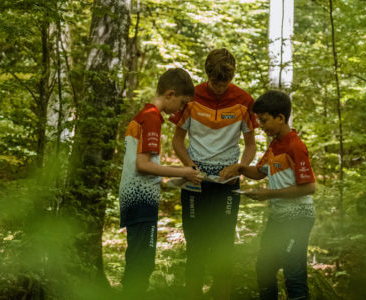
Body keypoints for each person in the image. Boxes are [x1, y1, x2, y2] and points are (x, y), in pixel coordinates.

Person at [170, 48, 258, 299]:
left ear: (232, 78)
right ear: (207, 74)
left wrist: (241, 166)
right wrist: (189, 166)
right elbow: (177, 140)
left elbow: (250, 144)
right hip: (195, 182)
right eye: (215, 83)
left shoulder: (244, 100)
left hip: (227, 183)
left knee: (224, 246)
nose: (220, 88)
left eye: (225, 83)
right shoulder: (192, 96)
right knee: (196, 246)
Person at [220, 90, 316, 300]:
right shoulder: (274, 145)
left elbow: (309, 187)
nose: (260, 126)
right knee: (264, 267)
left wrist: (269, 194)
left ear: (280, 118)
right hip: (279, 217)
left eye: (263, 121)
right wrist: (240, 168)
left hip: (298, 218)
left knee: (294, 274)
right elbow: (259, 172)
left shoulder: (295, 145)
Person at [118, 68, 202, 298]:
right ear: (170, 94)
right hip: (140, 200)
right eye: (182, 102)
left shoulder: (144, 115)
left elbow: (141, 169)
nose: (181, 109)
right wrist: (183, 169)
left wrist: (175, 181)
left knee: (137, 258)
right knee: (142, 262)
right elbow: (142, 165)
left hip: (136, 195)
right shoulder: (153, 116)